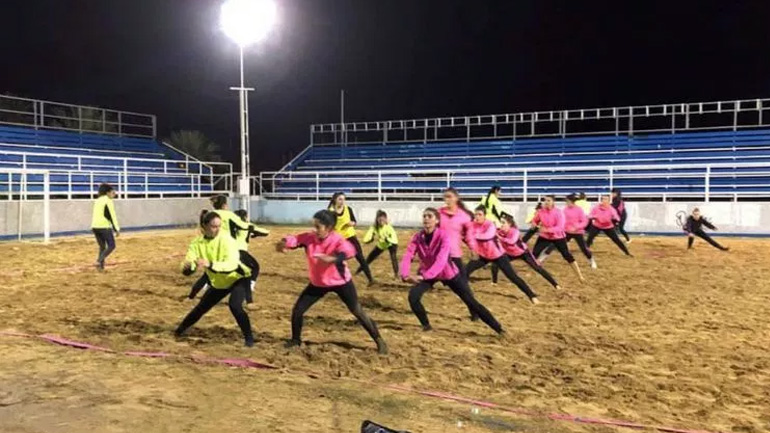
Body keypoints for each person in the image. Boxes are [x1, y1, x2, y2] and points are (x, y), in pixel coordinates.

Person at [277, 210, 388, 354]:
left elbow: (349, 251)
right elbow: (294, 239)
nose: (314, 230)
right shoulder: (310, 238)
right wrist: (283, 243)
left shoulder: (337, 239)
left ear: (329, 228)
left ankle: (379, 340)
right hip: (318, 284)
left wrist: (333, 259)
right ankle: (295, 340)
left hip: (340, 282)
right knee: (297, 310)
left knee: (357, 311)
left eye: (318, 227)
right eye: (314, 226)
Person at [400, 208, 505, 334]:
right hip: (428, 274)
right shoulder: (418, 237)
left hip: (447, 273)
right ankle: (426, 326)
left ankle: (498, 329)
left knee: (472, 302)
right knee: (413, 297)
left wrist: (424, 276)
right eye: (424, 216)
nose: (426, 219)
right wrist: (405, 274)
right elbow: (408, 254)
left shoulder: (443, 236)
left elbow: (442, 260)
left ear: (437, 220)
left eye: (429, 216)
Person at [175, 210, 255, 347]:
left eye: (219, 226)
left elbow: (232, 264)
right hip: (219, 281)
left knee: (235, 306)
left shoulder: (227, 240)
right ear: (204, 226)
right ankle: (179, 331)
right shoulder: (196, 243)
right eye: (213, 226)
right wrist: (187, 268)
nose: (217, 230)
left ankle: (249, 339)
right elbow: (189, 262)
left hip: (238, 277)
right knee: (202, 307)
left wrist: (210, 264)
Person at [465, 206, 539, 304]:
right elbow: (469, 238)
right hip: (483, 255)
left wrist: (473, 236)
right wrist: (473, 248)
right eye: (476, 214)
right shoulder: (473, 225)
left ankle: (531, 295)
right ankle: (461, 291)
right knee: (465, 271)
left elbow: (487, 236)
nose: (477, 217)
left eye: (480, 214)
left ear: (485, 216)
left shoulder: (490, 224)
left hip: (498, 256)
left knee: (513, 277)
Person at [491, 214, 562, 290]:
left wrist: (499, 237)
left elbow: (511, 242)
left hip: (523, 253)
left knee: (537, 268)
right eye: (500, 222)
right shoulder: (499, 231)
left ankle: (555, 284)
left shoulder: (515, 231)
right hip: (510, 254)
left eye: (503, 222)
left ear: (509, 224)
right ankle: (494, 282)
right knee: (495, 264)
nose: (501, 224)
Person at [531, 195, 585, 282]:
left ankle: (579, 275)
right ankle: (539, 272)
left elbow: (560, 227)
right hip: (544, 236)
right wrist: (533, 223)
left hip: (558, 237)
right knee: (534, 254)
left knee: (567, 255)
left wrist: (547, 230)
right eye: (545, 200)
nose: (546, 202)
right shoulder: (541, 211)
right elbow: (535, 220)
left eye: (548, 200)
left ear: (553, 202)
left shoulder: (558, 212)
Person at [328, 192, 374, 284]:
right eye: (340, 199)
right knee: (337, 259)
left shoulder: (348, 209)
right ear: (334, 200)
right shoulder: (330, 211)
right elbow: (328, 225)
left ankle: (370, 279)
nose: (342, 201)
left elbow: (354, 221)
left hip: (350, 236)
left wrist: (351, 223)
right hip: (338, 239)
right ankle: (339, 279)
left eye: (344, 199)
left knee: (360, 257)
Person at [541, 194, 596, 269]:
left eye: (567, 201)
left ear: (572, 202)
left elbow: (584, 221)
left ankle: (591, 260)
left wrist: (576, 227)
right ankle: (541, 259)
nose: (566, 203)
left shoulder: (579, 209)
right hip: (566, 232)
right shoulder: (564, 210)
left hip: (577, 232)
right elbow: (562, 221)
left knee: (584, 248)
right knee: (553, 245)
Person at [438, 187, 476, 278]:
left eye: (450, 197)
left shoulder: (464, 216)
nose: (447, 200)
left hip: (454, 253)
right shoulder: (438, 213)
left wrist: (472, 248)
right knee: (426, 279)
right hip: (439, 252)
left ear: (456, 198)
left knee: (462, 280)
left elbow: (469, 235)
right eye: (445, 197)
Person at [356, 210, 399, 278]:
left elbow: (393, 239)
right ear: (377, 220)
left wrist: (387, 240)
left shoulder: (389, 227)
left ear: (385, 219)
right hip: (382, 244)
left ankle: (396, 275)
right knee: (370, 257)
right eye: (379, 220)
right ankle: (358, 271)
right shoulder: (375, 227)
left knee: (393, 258)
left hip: (392, 243)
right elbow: (368, 236)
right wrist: (369, 239)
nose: (381, 222)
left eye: (383, 219)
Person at [91, 183, 120, 271]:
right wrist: (117, 229)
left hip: (95, 226)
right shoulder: (108, 201)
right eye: (112, 192)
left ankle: (101, 268)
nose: (114, 194)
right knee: (111, 245)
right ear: (108, 193)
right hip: (104, 226)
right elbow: (112, 215)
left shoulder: (97, 200)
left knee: (102, 247)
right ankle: (99, 261)